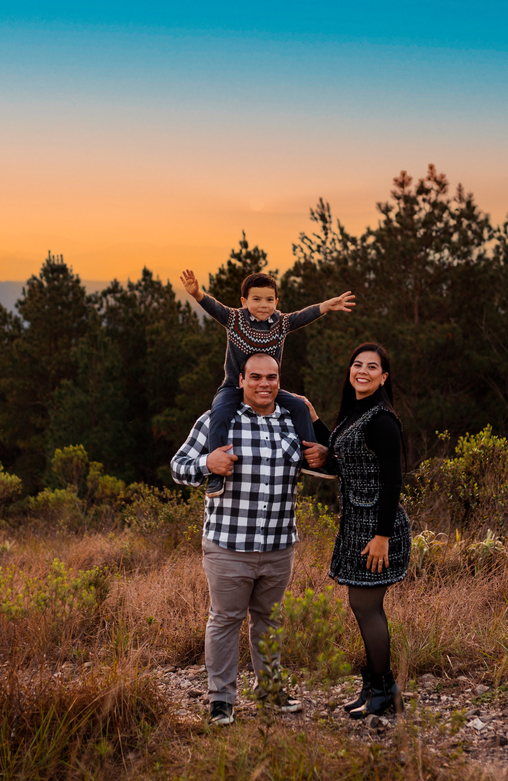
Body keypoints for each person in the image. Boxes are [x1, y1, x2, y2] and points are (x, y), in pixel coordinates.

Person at [170, 352, 329, 726]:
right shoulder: (215, 421)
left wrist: (323, 453)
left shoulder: (293, 422)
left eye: (271, 377)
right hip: (228, 546)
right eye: (255, 376)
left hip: (278, 547)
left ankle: (270, 689)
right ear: (240, 380)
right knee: (225, 620)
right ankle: (221, 700)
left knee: (269, 621)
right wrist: (206, 465)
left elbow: (321, 462)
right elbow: (179, 466)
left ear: (279, 380)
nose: (264, 384)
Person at [179, 268, 353, 498]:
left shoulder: (281, 323)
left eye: (269, 299)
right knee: (219, 415)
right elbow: (215, 308)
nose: (264, 305)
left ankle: (309, 460)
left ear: (276, 301)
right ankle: (217, 475)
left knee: (300, 407)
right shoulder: (235, 319)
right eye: (257, 299)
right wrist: (197, 293)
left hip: (270, 390)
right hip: (233, 387)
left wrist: (326, 306)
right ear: (244, 301)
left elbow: (303, 315)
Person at [312, 342, 410, 719]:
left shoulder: (383, 419)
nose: (363, 371)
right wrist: (316, 421)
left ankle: (386, 691)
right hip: (356, 525)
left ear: (384, 377)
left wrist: (382, 536)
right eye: (357, 364)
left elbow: (392, 481)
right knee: (362, 605)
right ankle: (373, 687)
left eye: (372, 367)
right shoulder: (356, 412)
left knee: (366, 606)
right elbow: (343, 461)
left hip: (378, 529)